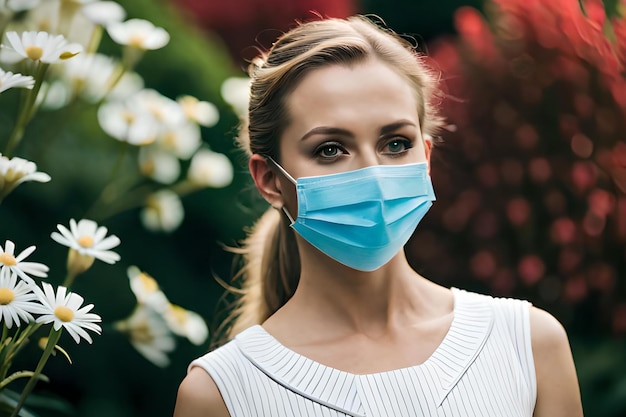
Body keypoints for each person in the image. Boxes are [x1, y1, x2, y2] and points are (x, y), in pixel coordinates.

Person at [173, 15, 584, 417]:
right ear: (269, 180)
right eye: (330, 149)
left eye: (395, 143)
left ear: (425, 157)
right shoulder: (222, 395)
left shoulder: (527, 345)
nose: (373, 173)